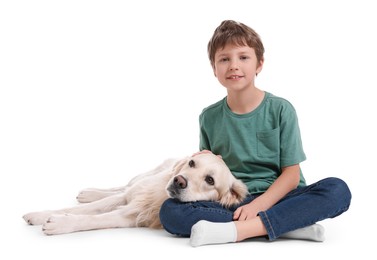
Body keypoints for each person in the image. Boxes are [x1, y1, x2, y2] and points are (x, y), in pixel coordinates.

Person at [159, 20, 351, 247]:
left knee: (338, 190)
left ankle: (240, 230)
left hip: (282, 197)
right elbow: (212, 175)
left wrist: (258, 206)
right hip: (235, 201)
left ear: (259, 64)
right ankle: (288, 225)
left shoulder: (281, 110)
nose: (233, 65)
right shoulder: (208, 117)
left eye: (243, 57)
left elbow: (291, 175)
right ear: (214, 68)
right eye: (224, 59)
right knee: (170, 211)